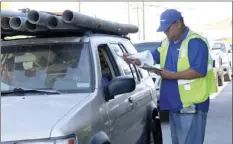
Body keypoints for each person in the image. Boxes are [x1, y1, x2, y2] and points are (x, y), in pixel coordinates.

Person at [123, 9, 217, 144]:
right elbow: (152, 57)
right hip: (175, 105)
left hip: (192, 106)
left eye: (167, 29)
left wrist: (171, 76)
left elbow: (198, 71)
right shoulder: (166, 42)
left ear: (178, 23)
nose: (165, 32)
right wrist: (136, 60)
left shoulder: (195, 42)